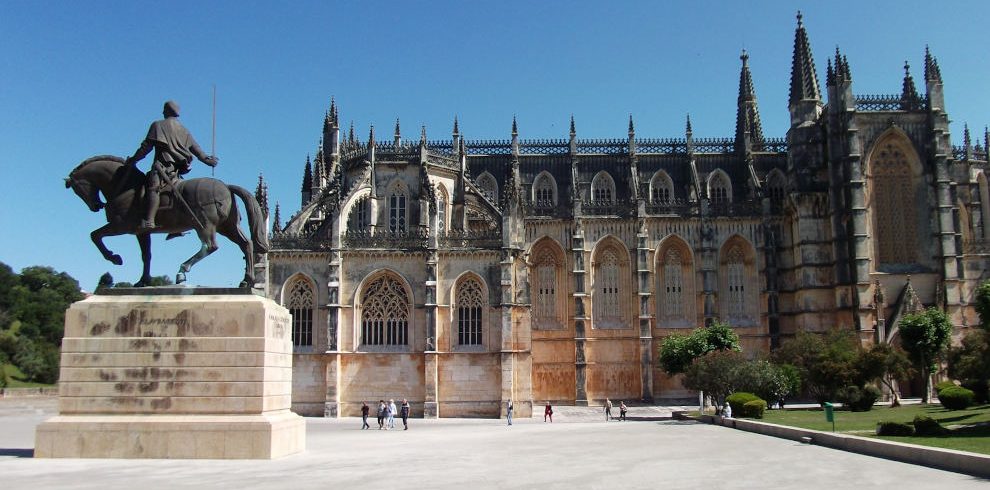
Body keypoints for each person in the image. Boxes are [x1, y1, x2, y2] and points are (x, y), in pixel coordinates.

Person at [125, 100, 218, 233]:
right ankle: (176, 228)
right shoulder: (184, 130)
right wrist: (207, 160)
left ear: (167, 111)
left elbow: (146, 147)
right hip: (176, 171)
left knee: (153, 189)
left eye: (164, 109)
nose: (162, 112)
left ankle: (150, 220)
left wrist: (133, 160)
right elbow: (196, 149)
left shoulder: (158, 125)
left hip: (162, 168)